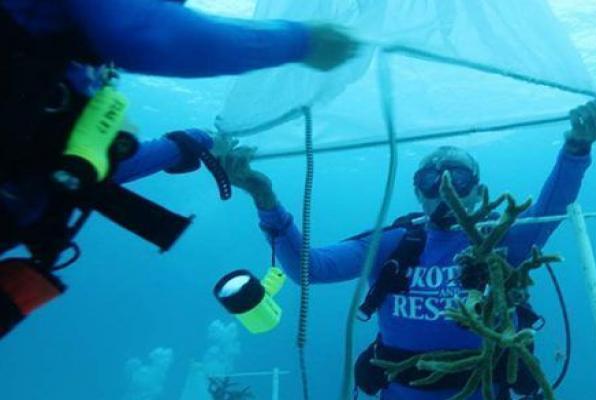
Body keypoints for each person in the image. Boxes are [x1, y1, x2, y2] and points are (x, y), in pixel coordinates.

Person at [0, 0, 358, 337]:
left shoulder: (62, 60)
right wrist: (303, 41)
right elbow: (143, 33)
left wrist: (194, 142)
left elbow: (91, 170)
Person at [219, 100, 596, 399]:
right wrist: (264, 196)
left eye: (457, 179)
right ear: (417, 191)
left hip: (483, 386)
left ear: (476, 191)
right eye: (431, 179)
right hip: (401, 388)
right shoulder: (395, 242)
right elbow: (312, 268)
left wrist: (577, 148)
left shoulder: (503, 240)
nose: (443, 189)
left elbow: (551, 207)